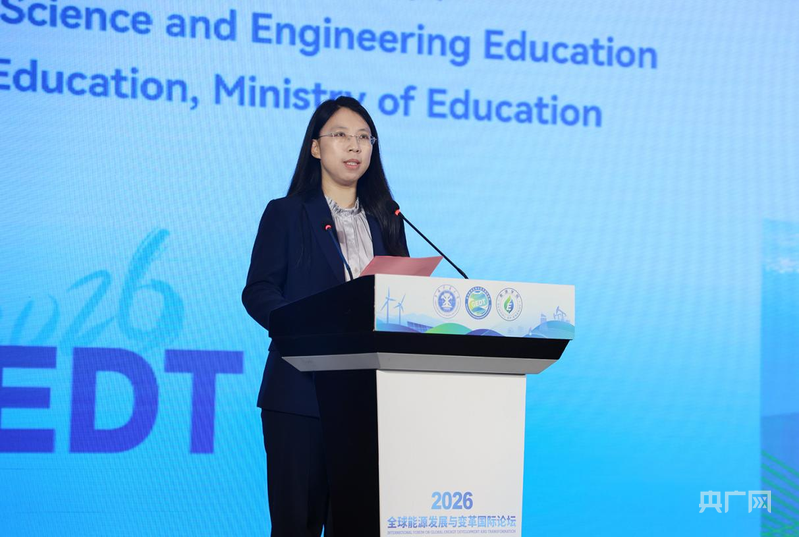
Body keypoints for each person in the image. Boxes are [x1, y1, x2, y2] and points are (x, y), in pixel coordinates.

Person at [242, 96, 409, 537]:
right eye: (341, 135)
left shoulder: (389, 218)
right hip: (301, 395)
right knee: (296, 526)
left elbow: (404, 299)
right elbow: (259, 291)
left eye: (364, 137)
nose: (354, 146)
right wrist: (303, 325)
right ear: (316, 147)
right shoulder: (286, 213)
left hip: (372, 400)